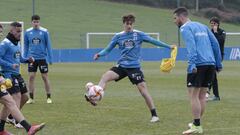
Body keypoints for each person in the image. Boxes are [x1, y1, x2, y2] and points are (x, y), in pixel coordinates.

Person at [85, 14, 174, 123]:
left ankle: (154, 115)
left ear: (133, 24)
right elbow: (108, 49)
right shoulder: (118, 36)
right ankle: (95, 97)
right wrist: (99, 54)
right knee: (105, 77)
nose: (129, 26)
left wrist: (168, 46)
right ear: (124, 24)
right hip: (122, 66)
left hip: (134, 68)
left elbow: (153, 41)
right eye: (127, 24)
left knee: (143, 91)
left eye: (131, 24)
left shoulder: (139, 34)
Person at [173, 7, 222, 134]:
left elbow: (192, 47)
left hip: (198, 64)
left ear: (181, 17)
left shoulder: (185, 28)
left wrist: (192, 64)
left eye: (175, 18)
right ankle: (196, 124)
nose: (174, 21)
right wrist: (218, 63)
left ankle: (197, 125)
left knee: (193, 96)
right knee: (201, 96)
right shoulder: (202, 26)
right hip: (210, 64)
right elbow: (215, 44)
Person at [0, 22, 45, 135]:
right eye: (18, 31)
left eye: (21, 31)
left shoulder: (17, 44)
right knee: (13, 99)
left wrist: (27, 60)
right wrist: (9, 66)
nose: (20, 33)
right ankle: (23, 124)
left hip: (16, 74)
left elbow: (18, 59)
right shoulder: (4, 44)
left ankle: (11, 117)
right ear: (11, 31)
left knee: (24, 97)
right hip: (9, 75)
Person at [24, 15, 53, 104]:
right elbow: (26, 45)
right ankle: (31, 98)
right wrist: (25, 57)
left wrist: (50, 58)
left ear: (39, 22)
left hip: (42, 58)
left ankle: (48, 97)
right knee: (31, 77)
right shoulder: (27, 32)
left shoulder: (44, 31)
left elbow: (48, 45)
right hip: (32, 59)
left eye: (37, 22)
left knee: (44, 77)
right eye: (34, 22)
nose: (36, 23)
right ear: (31, 22)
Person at [207, 17, 226, 101]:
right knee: (212, 75)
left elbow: (220, 41)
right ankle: (214, 95)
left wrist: (215, 32)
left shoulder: (222, 32)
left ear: (218, 24)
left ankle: (209, 94)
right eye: (211, 23)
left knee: (212, 75)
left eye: (214, 23)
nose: (212, 25)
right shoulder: (209, 32)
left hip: (218, 56)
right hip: (210, 55)